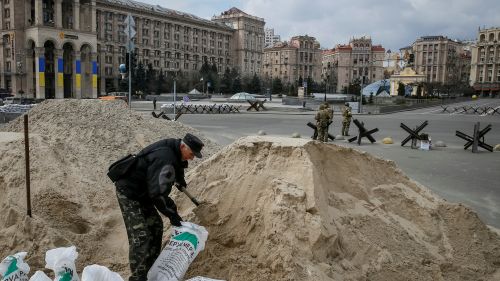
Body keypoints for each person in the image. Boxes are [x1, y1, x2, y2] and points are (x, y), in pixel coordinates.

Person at [114, 133, 204, 281]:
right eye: (192, 154)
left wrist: (180, 179)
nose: (192, 158)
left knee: (155, 226)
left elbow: (178, 162)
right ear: (183, 146)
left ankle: (150, 270)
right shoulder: (165, 159)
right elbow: (157, 194)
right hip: (130, 192)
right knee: (141, 235)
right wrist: (173, 214)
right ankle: (138, 278)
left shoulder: (174, 148)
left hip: (144, 192)